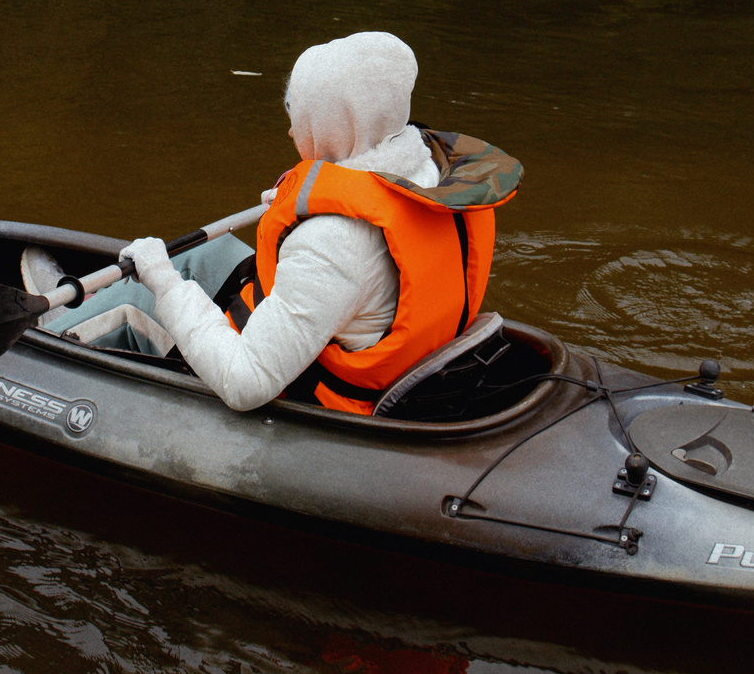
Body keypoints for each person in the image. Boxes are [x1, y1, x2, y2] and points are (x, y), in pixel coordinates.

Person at [37, 31, 521, 413]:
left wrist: (162, 281)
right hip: (373, 332)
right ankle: (90, 308)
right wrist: (297, 202)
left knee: (145, 296)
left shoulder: (334, 242)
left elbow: (245, 383)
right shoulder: (427, 169)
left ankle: (58, 333)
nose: (291, 130)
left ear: (336, 124)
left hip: (316, 393)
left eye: (300, 118)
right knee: (206, 255)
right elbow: (358, 206)